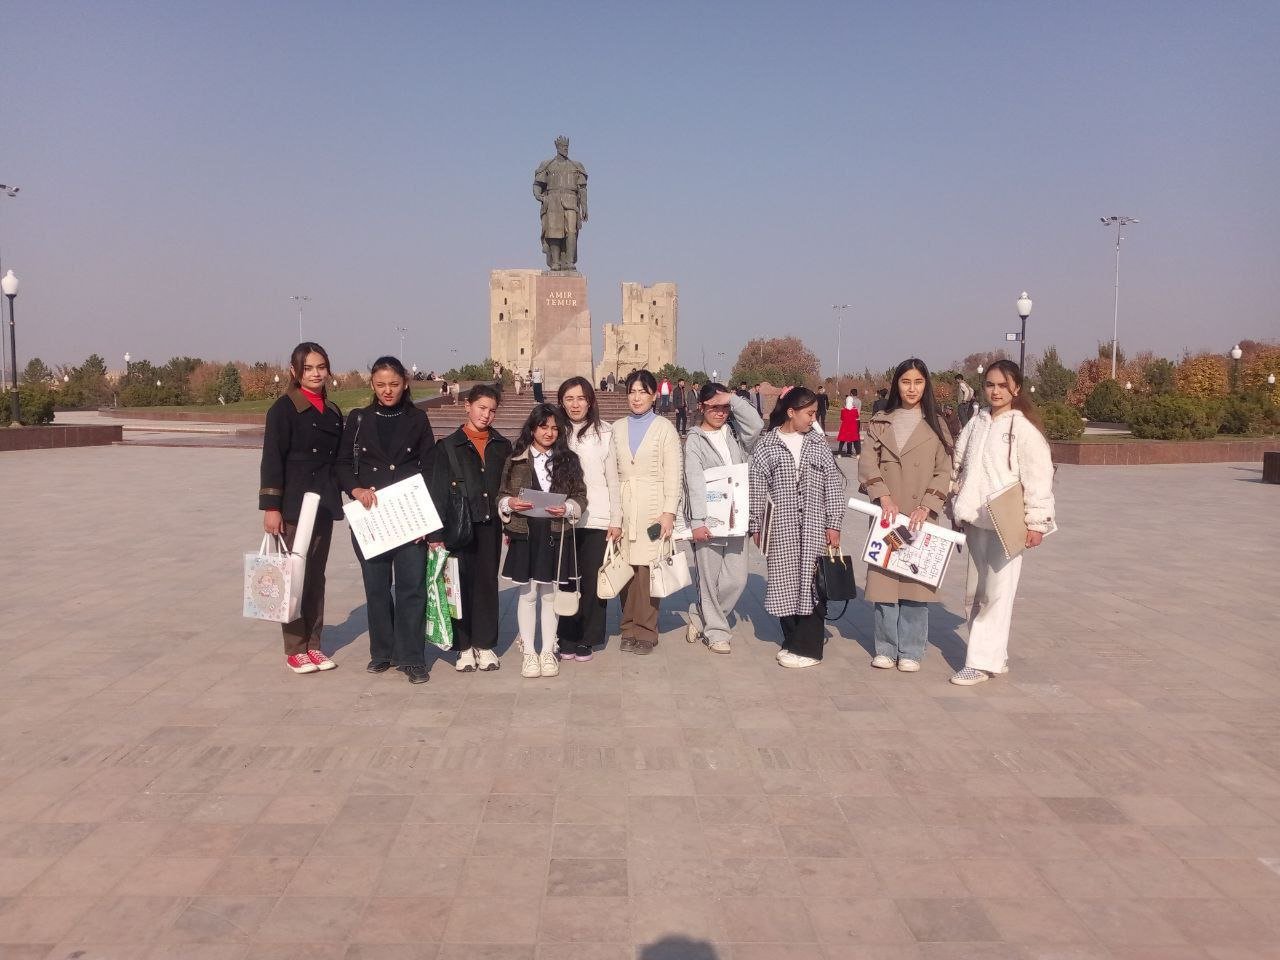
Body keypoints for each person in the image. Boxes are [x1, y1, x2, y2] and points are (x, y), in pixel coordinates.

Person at [949, 360, 1055, 685]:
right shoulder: (977, 423)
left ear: (1016, 389)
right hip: (976, 519)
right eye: (990, 385)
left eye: (1003, 386)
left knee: (998, 592)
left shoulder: (1023, 430)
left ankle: (981, 662)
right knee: (976, 592)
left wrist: (1037, 522)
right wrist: (956, 503)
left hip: (1008, 522)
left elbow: (1039, 478)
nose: (995, 391)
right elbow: (959, 464)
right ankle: (994, 654)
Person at [336, 356, 435, 684]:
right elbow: (342, 463)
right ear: (372, 385)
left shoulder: (418, 418)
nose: (387, 390)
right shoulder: (359, 418)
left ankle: (412, 657)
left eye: (393, 384)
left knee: (411, 588)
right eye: (380, 385)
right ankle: (382, 652)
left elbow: (430, 468)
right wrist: (355, 489)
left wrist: (426, 522)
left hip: (408, 517)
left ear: (405, 383)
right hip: (371, 517)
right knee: (376, 588)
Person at [858, 359, 954, 673]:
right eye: (905, 381)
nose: (911, 389)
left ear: (926, 385)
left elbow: (944, 470)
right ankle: (885, 647)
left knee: (915, 585)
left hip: (919, 517)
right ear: (896, 384)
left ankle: (912, 649)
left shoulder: (936, 423)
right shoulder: (880, 421)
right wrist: (883, 496)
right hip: (888, 515)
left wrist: (927, 505)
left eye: (918, 382)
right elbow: (867, 462)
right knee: (885, 585)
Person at [259, 342, 344, 675]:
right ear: (294, 371)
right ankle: (295, 647)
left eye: (321, 367)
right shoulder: (282, 409)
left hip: (323, 503)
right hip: (293, 504)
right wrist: (271, 507)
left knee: (315, 575)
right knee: (293, 574)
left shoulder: (333, 411)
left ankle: (314, 643)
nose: (315, 374)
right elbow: (272, 460)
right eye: (308, 368)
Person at [748, 387, 846, 668]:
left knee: (812, 585)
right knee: (784, 583)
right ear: (791, 412)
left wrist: (834, 524)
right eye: (809, 413)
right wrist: (756, 524)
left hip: (815, 527)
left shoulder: (817, 444)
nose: (813, 419)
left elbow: (833, 485)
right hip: (781, 528)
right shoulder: (767, 445)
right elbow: (756, 488)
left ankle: (809, 649)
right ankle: (792, 641)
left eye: (815, 413)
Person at [424, 384, 512, 672]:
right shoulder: (448, 446)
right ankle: (463, 647)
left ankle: (484, 645)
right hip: (458, 526)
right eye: (481, 408)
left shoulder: (502, 445)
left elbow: (508, 487)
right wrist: (435, 535)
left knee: (486, 584)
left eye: (492, 410)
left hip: (490, 525)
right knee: (458, 586)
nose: (486, 415)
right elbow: (437, 490)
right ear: (468, 406)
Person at [499, 404, 587, 679]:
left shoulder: (568, 459)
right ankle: (529, 652)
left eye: (554, 428)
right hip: (526, 532)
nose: (549, 433)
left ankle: (548, 649)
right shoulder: (516, 459)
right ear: (532, 428)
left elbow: (580, 495)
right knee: (527, 594)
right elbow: (501, 493)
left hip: (555, 532)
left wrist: (568, 508)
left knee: (550, 594)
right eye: (543, 427)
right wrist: (510, 503)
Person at [683, 382, 765, 654]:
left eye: (724, 408)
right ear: (701, 407)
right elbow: (694, 481)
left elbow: (756, 425)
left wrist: (733, 398)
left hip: (737, 518)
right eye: (714, 407)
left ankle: (699, 615)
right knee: (709, 580)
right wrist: (698, 521)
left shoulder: (736, 435)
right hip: (709, 520)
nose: (720, 413)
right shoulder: (695, 440)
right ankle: (717, 632)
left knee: (736, 580)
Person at [611, 369, 683, 655]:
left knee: (648, 571)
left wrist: (669, 512)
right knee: (625, 569)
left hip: (653, 508)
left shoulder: (664, 428)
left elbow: (673, 473)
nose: (637, 397)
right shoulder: (616, 428)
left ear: (654, 395)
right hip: (624, 507)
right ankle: (627, 626)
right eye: (632, 391)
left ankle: (646, 630)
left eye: (643, 391)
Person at [557, 377, 621, 660]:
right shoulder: (555, 430)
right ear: (562, 402)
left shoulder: (605, 431)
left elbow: (613, 479)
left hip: (597, 516)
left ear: (590, 401)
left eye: (581, 398)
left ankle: (588, 637)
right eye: (569, 399)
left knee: (594, 581)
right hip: (563, 518)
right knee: (567, 580)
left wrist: (616, 518)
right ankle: (566, 635)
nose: (575, 404)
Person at [836, 388, 862, 457]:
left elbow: (842, 418)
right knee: (855, 438)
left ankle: (843, 452)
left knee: (843, 440)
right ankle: (858, 453)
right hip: (854, 424)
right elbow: (857, 415)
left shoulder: (843, 410)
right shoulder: (858, 404)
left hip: (845, 425)